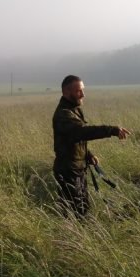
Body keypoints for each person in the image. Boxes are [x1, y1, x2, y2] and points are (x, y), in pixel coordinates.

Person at [52, 75, 130, 217]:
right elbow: (81, 132)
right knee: (76, 213)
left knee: (83, 208)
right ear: (66, 92)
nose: (83, 94)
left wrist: (88, 155)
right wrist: (112, 130)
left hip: (77, 169)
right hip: (68, 171)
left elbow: (74, 139)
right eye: (78, 91)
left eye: (82, 90)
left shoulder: (74, 109)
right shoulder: (64, 114)